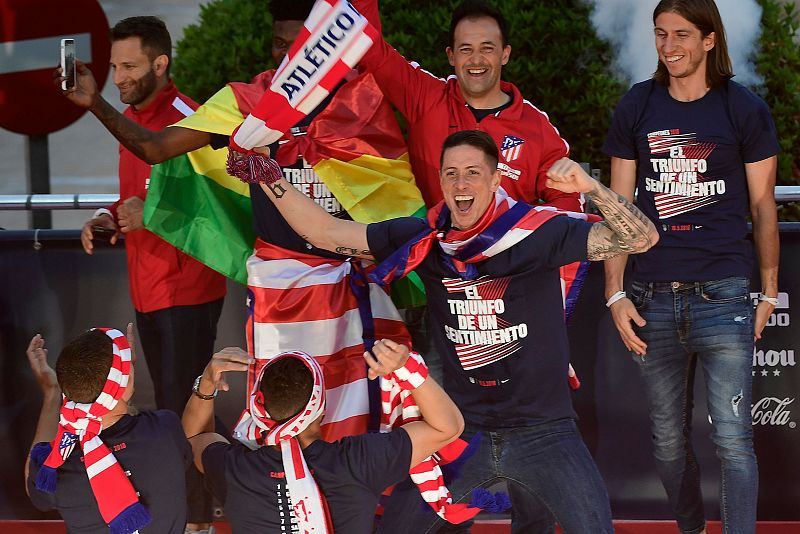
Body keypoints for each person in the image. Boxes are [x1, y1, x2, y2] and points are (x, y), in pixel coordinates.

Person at [243, 129, 659, 533]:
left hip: (544, 430)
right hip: (462, 428)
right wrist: (267, 173)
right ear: (441, 181)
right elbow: (326, 233)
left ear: (496, 180)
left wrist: (593, 188)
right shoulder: (425, 238)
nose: (461, 183)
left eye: (473, 172)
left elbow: (641, 239)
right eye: (451, 173)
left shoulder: (538, 230)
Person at [56, 3, 424, 445]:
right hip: (281, 291)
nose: (287, 55)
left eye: (299, 46)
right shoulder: (249, 103)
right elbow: (155, 148)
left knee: (358, 409)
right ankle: (283, 487)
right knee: (282, 410)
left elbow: (391, 186)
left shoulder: (363, 99)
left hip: (352, 282)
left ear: (324, 49)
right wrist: (95, 103)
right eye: (279, 43)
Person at [601, 1, 780, 533]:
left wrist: (769, 292)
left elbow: (763, 207)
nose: (669, 46)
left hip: (723, 293)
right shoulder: (637, 105)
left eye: (681, 34)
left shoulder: (743, 109)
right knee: (668, 443)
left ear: (709, 39)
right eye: (661, 34)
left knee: (733, 439)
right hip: (652, 296)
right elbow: (619, 207)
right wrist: (615, 292)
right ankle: (692, 528)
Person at [55, 17, 226, 533]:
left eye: (129, 66)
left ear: (160, 63)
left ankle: (198, 519)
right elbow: (137, 196)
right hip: (149, 288)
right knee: (173, 407)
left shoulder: (188, 118)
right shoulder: (131, 119)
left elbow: (217, 207)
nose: (119, 78)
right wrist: (108, 216)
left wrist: (146, 214)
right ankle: (196, 512)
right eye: (114, 67)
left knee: (185, 409)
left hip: (187, 290)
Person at [182, 340, 464, 533]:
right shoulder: (358, 461)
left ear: (259, 409)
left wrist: (206, 384)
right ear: (321, 410)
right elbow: (447, 427)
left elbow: (192, 438)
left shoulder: (235, 469)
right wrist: (407, 369)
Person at [357, 0, 582, 213]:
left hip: (509, 242)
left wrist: (526, 234)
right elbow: (369, 48)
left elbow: (568, 202)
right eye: (466, 49)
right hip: (432, 240)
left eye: (487, 49)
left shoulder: (537, 128)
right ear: (451, 55)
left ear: (505, 54)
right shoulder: (425, 97)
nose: (476, 59)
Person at [25, 325, 192, 534]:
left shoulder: (55, 463)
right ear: (126, 381)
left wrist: (51, 393)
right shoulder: (165, 428)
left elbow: (35, 489)